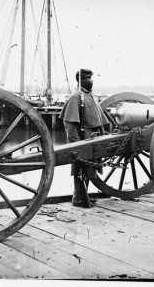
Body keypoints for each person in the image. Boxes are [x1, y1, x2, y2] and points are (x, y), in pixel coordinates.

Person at [59, 69, 109, 207]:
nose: (91, 80)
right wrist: (76, 145)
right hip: (84, 140)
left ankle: (82, 196)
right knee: (80, 170)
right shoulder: (76, 97)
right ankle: (78, 198)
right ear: (81, 81)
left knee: (88, 170)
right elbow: (70, 125)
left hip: (93, 139)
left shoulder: (89, 96)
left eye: (91, 78)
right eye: (87, 78)